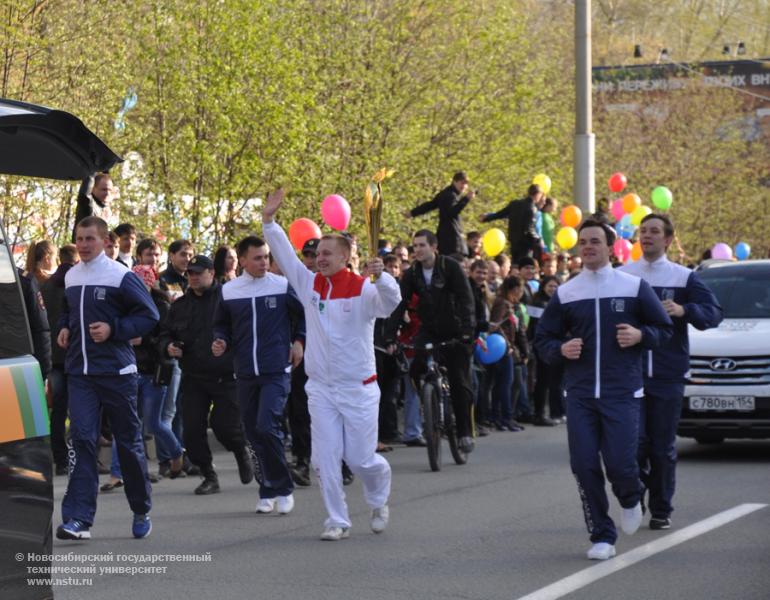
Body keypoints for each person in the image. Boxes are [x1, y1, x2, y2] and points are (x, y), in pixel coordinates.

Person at [262, 188, 401, 541]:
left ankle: (378, 497)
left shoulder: (364, 289)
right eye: (316, 253)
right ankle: (337, 519)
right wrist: (269, 222)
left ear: (345, 257)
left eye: (326, 253)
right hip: (321, 388)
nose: (318, 258)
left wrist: (382, 275)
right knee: (325, 461)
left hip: (359, 388)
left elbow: (390, 302)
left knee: (361, 459)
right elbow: (286, 257)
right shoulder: (310, 285)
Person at [534, 219, 673, 560]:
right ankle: (601, 535)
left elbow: (664, 329)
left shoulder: (633, 286)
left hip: (622, 391)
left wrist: (641, 336)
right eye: (583, 242)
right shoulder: (567, 292)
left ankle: (629, 495)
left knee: (621, 464)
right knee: (583, 464)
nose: (588, 246)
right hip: (580, 393)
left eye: (595, 241)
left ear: (610, 248)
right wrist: (560, 350)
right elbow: (543, 338)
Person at [56, 216, 159, 541]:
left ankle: (141, 508)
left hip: (117, 373)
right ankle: (78, 520)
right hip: (81, 374)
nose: (84, 245)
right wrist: (63, 327)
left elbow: (149, 315)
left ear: (104, 241)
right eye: (79, 239)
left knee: (127, 444)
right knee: (82, 440)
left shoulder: (120, 276)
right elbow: (67, 310)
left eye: (89, 239)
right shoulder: (72, 276)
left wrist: (115, 330)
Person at [620, 214, 722, 530]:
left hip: (667, 374)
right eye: (643, 231)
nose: (647, 236)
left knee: (661, 447)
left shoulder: (683, 278)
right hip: (629, 374)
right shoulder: (623, 275)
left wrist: (684, 310)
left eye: (654, 232)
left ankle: (661, 508)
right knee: (633, 445)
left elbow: (714, 313)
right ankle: (634, 497)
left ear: (667, 239)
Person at [213, 237, 305, 514]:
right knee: (253, 433)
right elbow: (221, 325)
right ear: (242, 261)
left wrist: (299, 340)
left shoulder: (280, 286)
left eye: (266, 257)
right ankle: (267, 490)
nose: (264, 262)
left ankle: (284, 486)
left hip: (276, 369)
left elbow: (303, 316)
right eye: (258, 258)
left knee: (267, 426)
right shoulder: (229, 291)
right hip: (244, 372)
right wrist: (220, 340)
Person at [159, 255, 253, 495]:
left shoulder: (229, 299)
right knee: (191, 431)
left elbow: (244, 331)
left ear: (212, 273)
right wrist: (168, 346)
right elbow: (164, 334)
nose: (194, 277)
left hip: (226, 375)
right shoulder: (180, 305)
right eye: (190, 273)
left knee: (225, 427)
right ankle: (209, 476)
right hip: (193, 377)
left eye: (199, 272)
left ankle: (241, 450)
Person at [394, 230, 476, 453]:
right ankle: (430, 404)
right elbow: (400, 304)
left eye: (422, 245)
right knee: (414, 370)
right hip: (429, 330)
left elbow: (465, 299)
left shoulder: (450, 267)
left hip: (456, 330)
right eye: (415, 246)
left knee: (460, 383)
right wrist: (391, 335)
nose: (417, 250)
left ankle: (464, 433)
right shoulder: (412, 274)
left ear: (433, 247)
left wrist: (467, 332)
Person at [41, 244, 79, 475]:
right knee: (82, 409)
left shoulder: (44, 287)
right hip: (74, 355)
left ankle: (61, 459)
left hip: (53, 357)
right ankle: (80, 457)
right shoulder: (75, 284)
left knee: (59, 411)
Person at [489, 276, 529, 431]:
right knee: (505, 384)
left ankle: (502, 417)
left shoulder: (511, 304)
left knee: (506, 383)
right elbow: (495, 325)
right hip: (501, 349)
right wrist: (506, 344)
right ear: (515, 289)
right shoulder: (502, 303)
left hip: (507, 348)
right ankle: (504, 418)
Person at [405, 171, 475, 256]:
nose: (464, 186)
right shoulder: (450, 195)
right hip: (451, 238)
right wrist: (466, 199)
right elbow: (452, 212)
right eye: (462, 183)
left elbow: (430, 205)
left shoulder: (446, 193)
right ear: (454, 182)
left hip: (444, 236)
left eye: (466, 184)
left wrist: (413, 212)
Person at [529, 275, 564, 424]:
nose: (552, 289)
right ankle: (539, 414)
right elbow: (534, 327)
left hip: (555, 345)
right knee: (542, 381)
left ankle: (554, 412)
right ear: (543, 286)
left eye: (555, 286)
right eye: (550, 286)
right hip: (541, 346)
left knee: (553, 381)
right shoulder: (537, 303)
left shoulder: (558, 302)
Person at [481, 184, 545, 263]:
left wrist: (487, 218)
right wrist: (537, 240)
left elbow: (500, 214)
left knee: (514, 263)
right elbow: (528, 229)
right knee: (523, 264)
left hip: (513, 241)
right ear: (538, 194)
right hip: (524, 244)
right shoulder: (532, 208)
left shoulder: (514, 204)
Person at [72, 173, 115, 240]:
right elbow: (84, 195)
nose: (107, 193)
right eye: (104, 190)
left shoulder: (105, 209)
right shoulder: (88, 204)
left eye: (110, 190)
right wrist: (92, 168)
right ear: (93, 189)